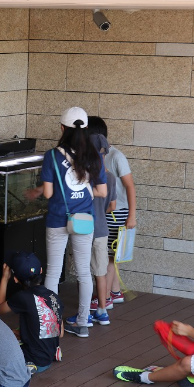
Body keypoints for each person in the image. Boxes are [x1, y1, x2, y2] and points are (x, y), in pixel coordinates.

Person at [41, 107, 107, 338]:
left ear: (62, 128)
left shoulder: (52, 156)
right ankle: (82, 323)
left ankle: (51, 324)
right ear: (87, 128)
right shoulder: (94, 155)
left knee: (53, 271)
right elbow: (102, 190)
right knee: (83, 273)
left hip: (58, 218)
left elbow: (48, 194)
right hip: (84, 220)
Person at [87, 116, 137, 307]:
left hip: (117, 213)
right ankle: (115, 292)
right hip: (108, 212)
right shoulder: (95, 156)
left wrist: (132, 215)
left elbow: (130, 186)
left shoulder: (115, 156)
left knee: (107, 258)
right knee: (110, 257)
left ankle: (104, 299)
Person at [0, 252, 63, 374]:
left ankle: (26, 364)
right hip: (47, 355)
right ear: (41, 270)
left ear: (15, 279)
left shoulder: (23, 297)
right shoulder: (53, 296)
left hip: (33, 359)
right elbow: (60, 333)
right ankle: (54, 350)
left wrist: (4, 278)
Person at [67, 169, 117, 327]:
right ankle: (102, 311)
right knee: (100, 273)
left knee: (82, 272)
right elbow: (112, 206)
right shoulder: (110, 177)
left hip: (82, 227)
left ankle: (85, 313)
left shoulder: (79, 175)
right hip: (101, 229)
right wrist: (100, 214)